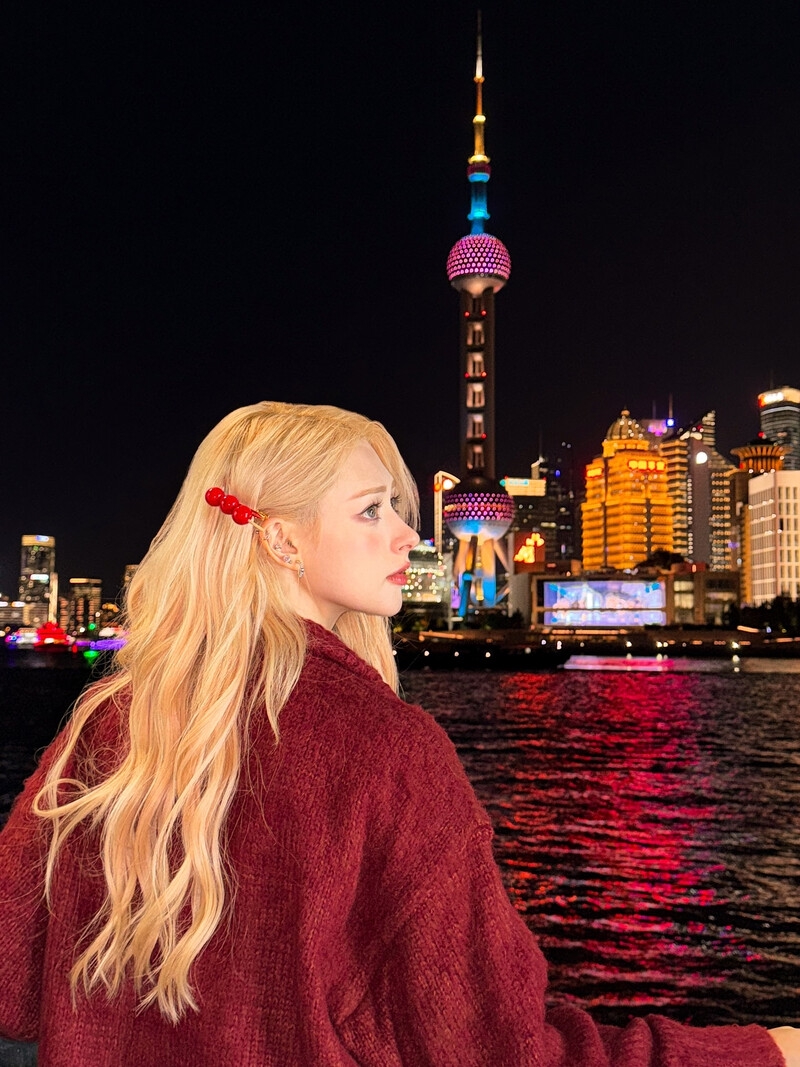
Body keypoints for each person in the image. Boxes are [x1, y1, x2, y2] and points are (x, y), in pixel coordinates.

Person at [0, 400, 797, 1067]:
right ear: (281, 537)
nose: (407, 537)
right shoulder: (388, 750)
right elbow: (503, 1053)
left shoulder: (110, 724)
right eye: (371, 509)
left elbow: (13, 988)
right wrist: (760, 1050)